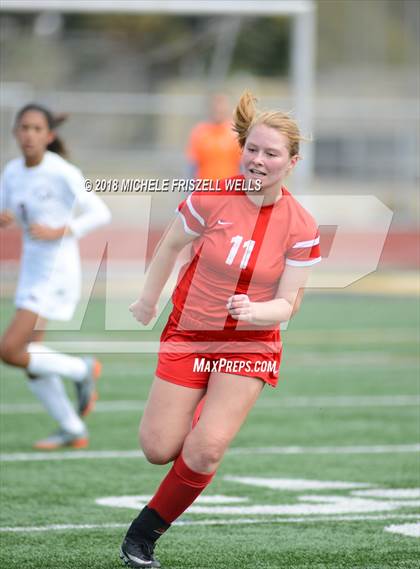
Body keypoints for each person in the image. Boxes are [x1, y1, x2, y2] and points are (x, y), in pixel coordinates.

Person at [120, 91, 321, 568]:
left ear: (290, 163)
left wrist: (257, 312)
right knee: (158, 448)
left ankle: (143, 535)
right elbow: (170, 247)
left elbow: (289, 304)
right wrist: (149, 299)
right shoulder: (210, 197)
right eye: (252, 149)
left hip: (250, 344)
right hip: (189, 334)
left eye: (271, 153)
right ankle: (194, 421)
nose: (258, 160)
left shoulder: (301, 225)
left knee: (207, 448)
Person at [0, 103, 111, 450]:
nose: (29, 135)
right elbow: (6, 210)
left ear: (49, 136)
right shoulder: (13, 171)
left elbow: (100, 212)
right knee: (32, 359)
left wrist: (61, 230)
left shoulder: (61, 171)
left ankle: (82, 369)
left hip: (56, 271)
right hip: (32, 270)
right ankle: (71, 427)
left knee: (9, 349)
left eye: (36, 129)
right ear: (16, 133)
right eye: (24, 128)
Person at [186, 93, 242, 180]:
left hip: (229, 190)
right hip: (205, 189)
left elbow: (242, 166)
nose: (218, 108)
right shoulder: (199, 132)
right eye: (215, 105)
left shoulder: (236, 132)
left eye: (222, 105)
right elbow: (192, 166)